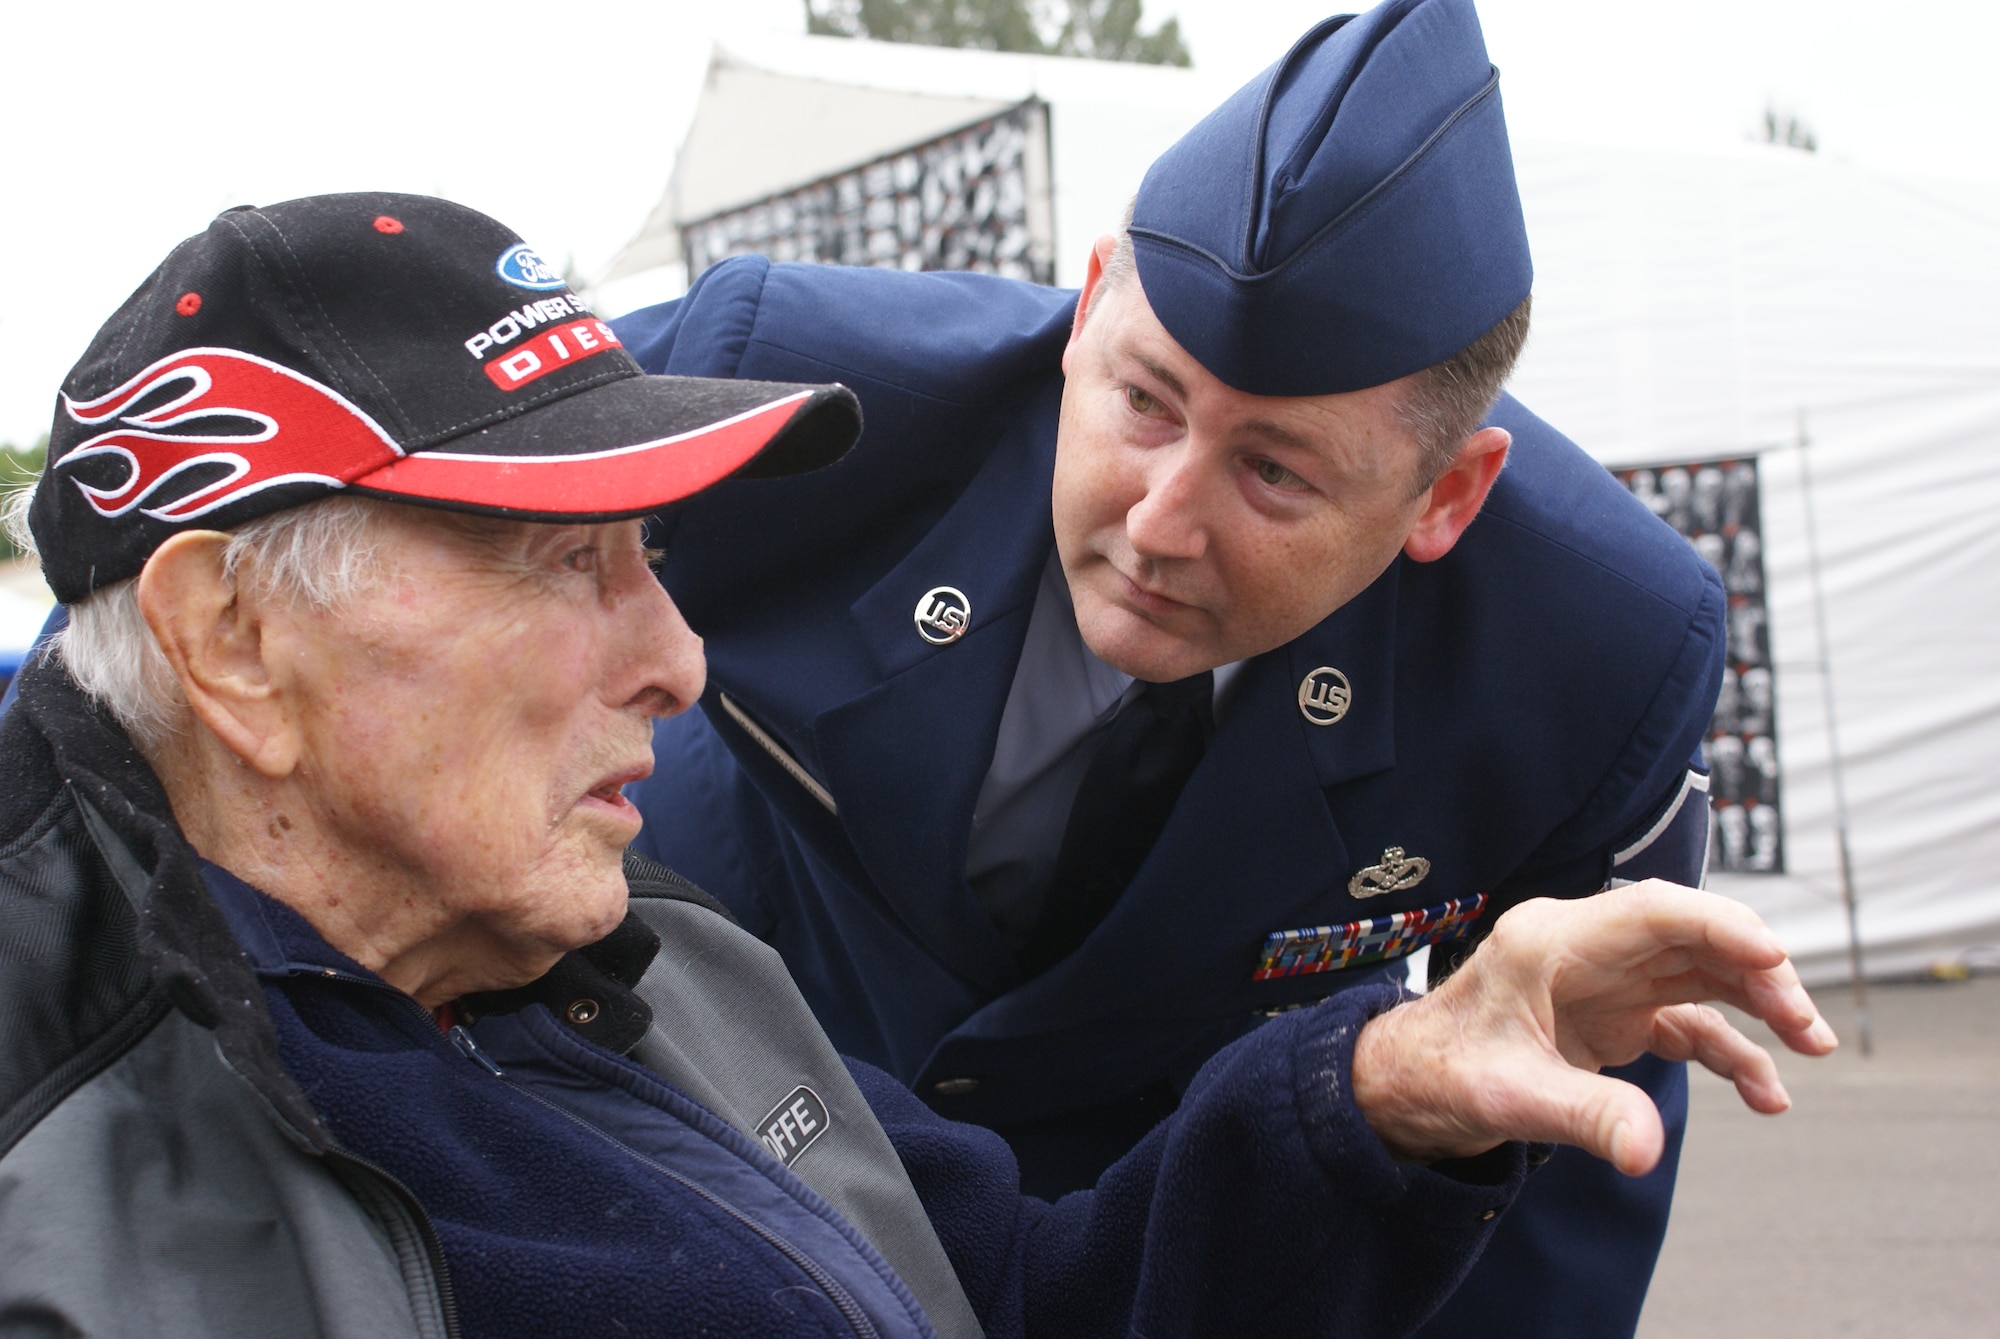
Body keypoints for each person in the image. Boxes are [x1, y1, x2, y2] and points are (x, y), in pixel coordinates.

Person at [0, 190, 1835, 1339]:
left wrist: (1387, 1093)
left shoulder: (652, 957)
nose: (683, 659)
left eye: (659, 556)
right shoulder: (63, 1171)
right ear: (235, 646)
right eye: (572, 560)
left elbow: (1016, 1291)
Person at [613, 1, 1726, 1333]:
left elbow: (1557, 1116)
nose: (1156, 522)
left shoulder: (1596, 651)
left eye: (1271, 470)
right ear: (1088, 307)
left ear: (1447, 496)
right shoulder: (778, 379)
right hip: (705, 1070)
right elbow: (413, 537)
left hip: (1158, 1209)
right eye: (1144, 402)